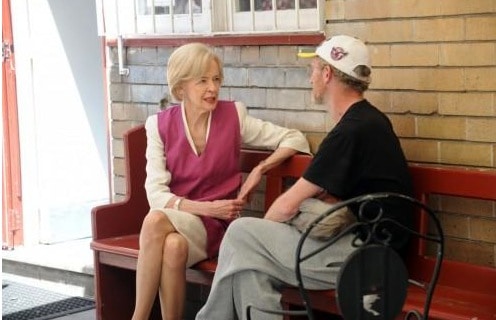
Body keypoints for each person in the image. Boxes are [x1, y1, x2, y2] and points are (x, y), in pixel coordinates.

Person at [195, 35, 414, 320]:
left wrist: (259, 238)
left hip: (368, 260)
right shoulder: (369, 120)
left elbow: (287, 205)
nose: (310, 77)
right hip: (365, 247)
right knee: (250, 265)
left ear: (327, 74)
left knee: (241, 235)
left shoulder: (350, 131)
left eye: (313, 70)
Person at [131, 42, 310, 320]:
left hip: (217, 227)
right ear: (181, 89)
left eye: (216, 79)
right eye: (202, 81)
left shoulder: (233, 116)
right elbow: (155, 194)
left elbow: (295, 139)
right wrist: (208, 207)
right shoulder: (158, 126)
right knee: (173, 246)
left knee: (155, 221)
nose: (212, 88)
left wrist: (260, 168)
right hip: (185, 220)